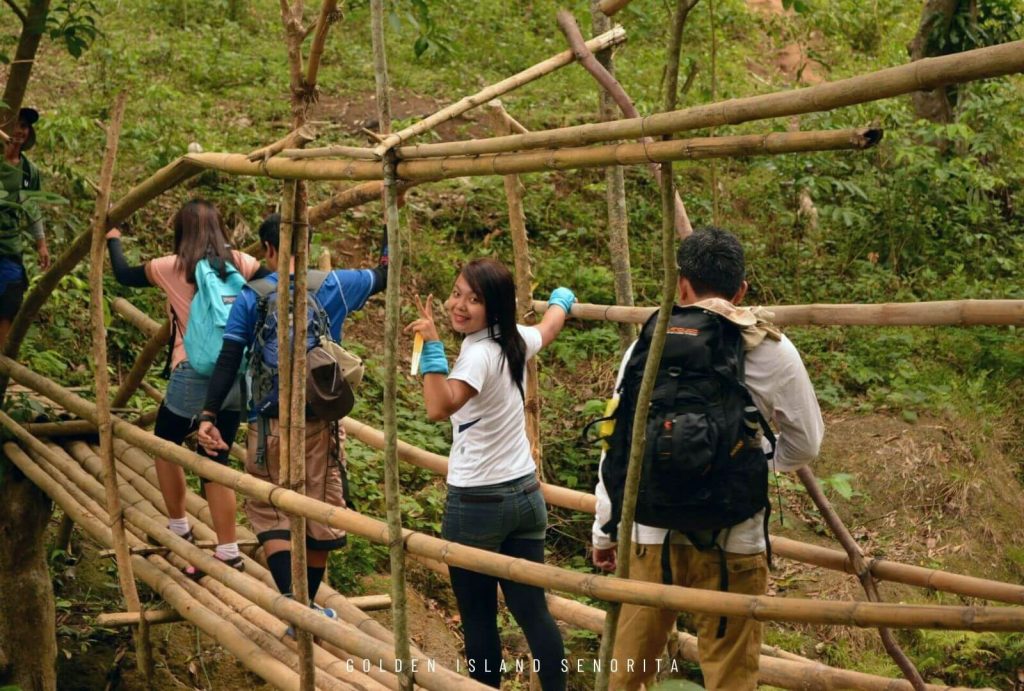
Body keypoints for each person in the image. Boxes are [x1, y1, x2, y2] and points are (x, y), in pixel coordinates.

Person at [592, 227, 824, 690]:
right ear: (741, 291)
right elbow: (806, 444)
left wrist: (604, 528)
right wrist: (754, 457)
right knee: (730, 677)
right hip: (732, 540)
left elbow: (617, 443)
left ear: (680, 284)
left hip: (647, 535)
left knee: (625, 675)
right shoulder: (773, 349)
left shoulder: (648, 343)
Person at [197, 212, 386, 614]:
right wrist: (391, 216)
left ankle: (292, 602)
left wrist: (209, 414)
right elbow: (386, 273)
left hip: (268, 423)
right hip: (320, 423)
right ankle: (307, 606)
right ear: (310, 245)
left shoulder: (253, 294)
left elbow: (230, 357)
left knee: (270, 510)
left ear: (267, 249)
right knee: (320, 512)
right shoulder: (334, 284)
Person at [405, 258, 574, 691]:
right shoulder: (515, 338)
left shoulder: (477, 354)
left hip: (477, 504)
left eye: (474, 300)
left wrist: (432, 346)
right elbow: (550, 327)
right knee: (533, 611)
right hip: (524, 497)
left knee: (479, 619)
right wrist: (562, 301)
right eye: (457, 292)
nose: (459, 305)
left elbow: (438, 407)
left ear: (493, 308)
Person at [106, 199, 262, 575]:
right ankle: (228, 550)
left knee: (165, 445)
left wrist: (112, 237)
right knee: (216, 462)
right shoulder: (244, 263)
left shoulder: (169, 267)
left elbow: (124, 275)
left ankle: (179, 528)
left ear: (180, 231)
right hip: (237, 373)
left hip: (194, 370)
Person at [0, 107, 50, 346]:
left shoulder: (29, 171)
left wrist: (41, 244)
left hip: (9, 247)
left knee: (9, 303)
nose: (19, 131)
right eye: (16, 124)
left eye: (24, 126)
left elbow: (31, 208)